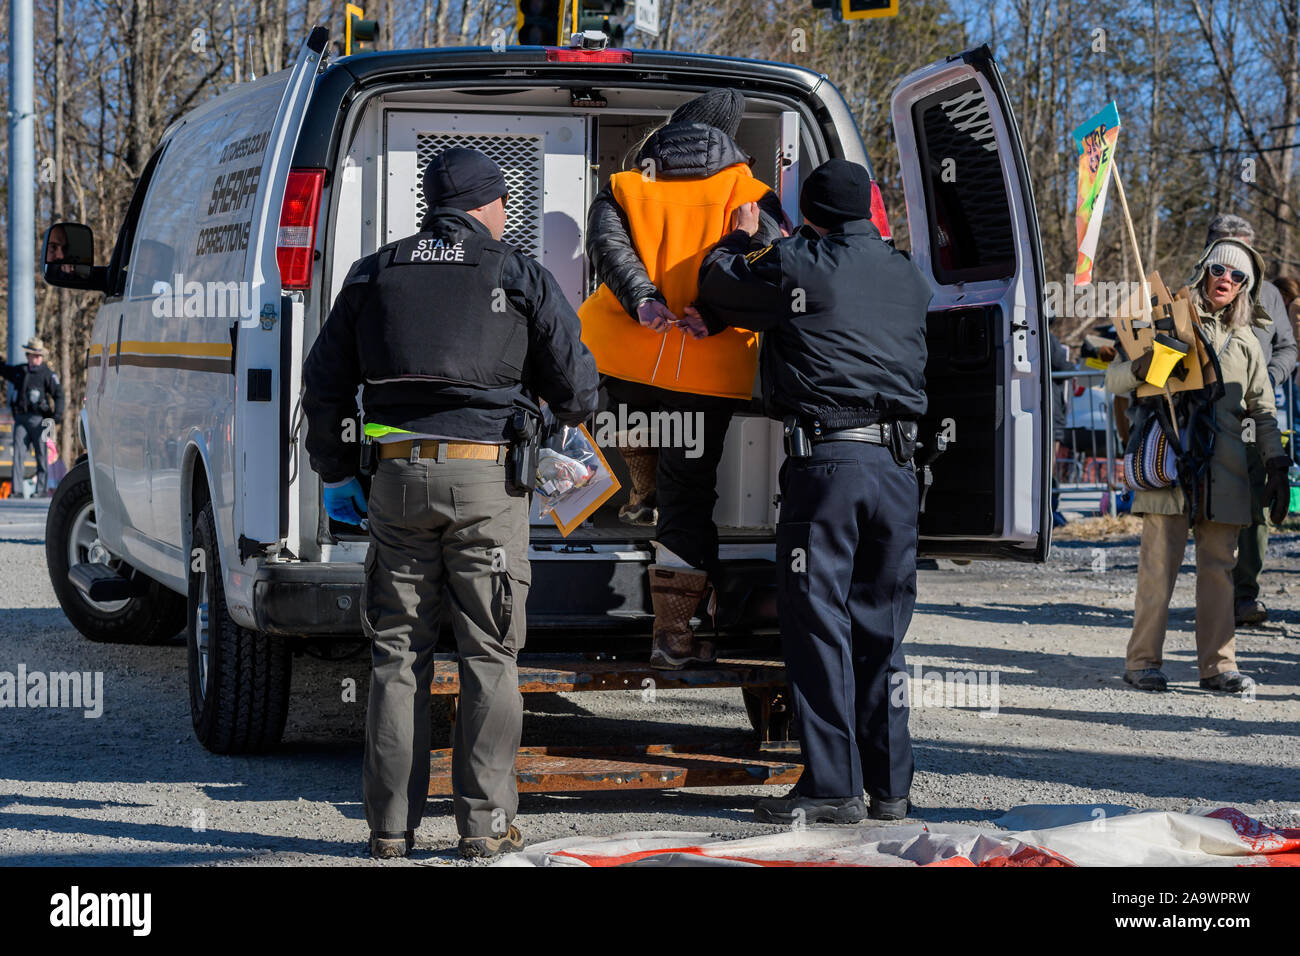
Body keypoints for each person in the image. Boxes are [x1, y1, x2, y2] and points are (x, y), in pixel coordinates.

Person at [302, 147, 599, 860]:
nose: (504, 216)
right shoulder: (515, 272)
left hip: (397, 482)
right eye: (502, 204)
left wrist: (338, 466)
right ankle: (483, 829)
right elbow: (579, 389)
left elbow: (324, 380)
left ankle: (389, 830)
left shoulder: (375, 271)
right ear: (487, 204)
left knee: (396, 655)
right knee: (489, 656)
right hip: (486, 485)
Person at [696, 159, 932, 823]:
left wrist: (740, 239)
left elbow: (717, 286)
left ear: (814, 214)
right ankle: (890, 788)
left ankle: (832, 788)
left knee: (818, 622)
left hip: (827, 469)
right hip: (896, 471)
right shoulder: (909, 276)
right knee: (882, 631)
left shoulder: (800, 262)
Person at [579, 88, 787, 670]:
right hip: (709, 365)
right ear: (727, 139)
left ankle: (641, 488)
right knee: (690, 497)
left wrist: (644, 299)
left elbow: (607, 248)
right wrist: (716, 314)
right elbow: (769, 264)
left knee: (627, 420)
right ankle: (672, 637)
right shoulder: (750, 192)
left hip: (623, 352)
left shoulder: (625, 185)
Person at [1106, 237, 1288, 694]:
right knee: (1157, 570)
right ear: (1204, 270)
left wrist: (1277, 464)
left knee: (1219, 572)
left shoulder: (1248, 341)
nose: (1226, 280)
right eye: (1219, 271)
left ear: (1247, 287)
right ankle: (1143, 661)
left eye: (1237, 276)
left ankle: (1218, 668)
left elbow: (1263, 411)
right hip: (1171, 459)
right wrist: (1150, 361)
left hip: (1224, 470)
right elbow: (1113, 380)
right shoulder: (1166, 317)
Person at [1204, 216, 1298, 626]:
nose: (1231, 272)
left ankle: (1245, 594)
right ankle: (1211, 590)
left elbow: (1287, 348)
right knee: (1203, 510)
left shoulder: (1272, 296)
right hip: (1202, 421)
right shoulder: (1190, 293)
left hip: (1253, 418)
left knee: (1256, 504)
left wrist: (1268, 378)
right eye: (1224, 259)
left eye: (1242, 266)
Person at [3, 337, 64, 498]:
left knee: (42, 454)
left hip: (40, 421)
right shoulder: (20, 371)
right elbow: (3, 369)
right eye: (33, 355)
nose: (36, 358)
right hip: (21, 419)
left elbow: (59, 394)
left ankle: (42, 490)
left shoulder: (47, 374)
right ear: (28, 356)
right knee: (18, 454)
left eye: (39, 355)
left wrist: (56, 416)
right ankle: (16, 491)